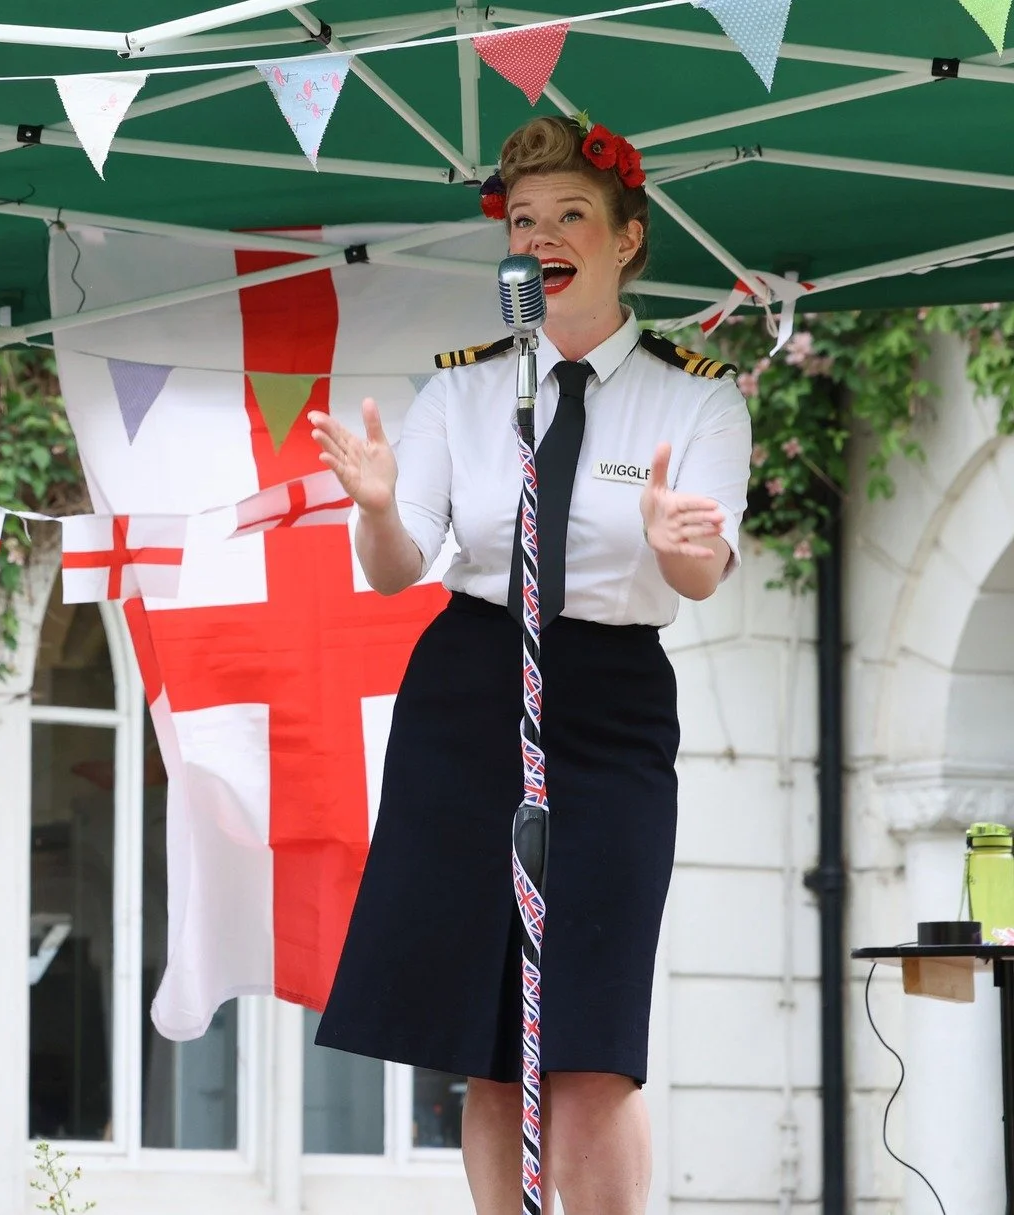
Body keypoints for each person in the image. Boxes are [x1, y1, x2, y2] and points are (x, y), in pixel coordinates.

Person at [307, 116, 750, 1215]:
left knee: (592, 1035)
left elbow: (700, 576)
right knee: (490, 1033)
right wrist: (372, 508)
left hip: (609, 703)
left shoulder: (696, 395)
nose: (542, 237)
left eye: (570, 217)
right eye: (522, 221)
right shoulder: (461, 390)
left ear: (626, 241)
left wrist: (674, 544)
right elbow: (395, 565)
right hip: (468, 694)